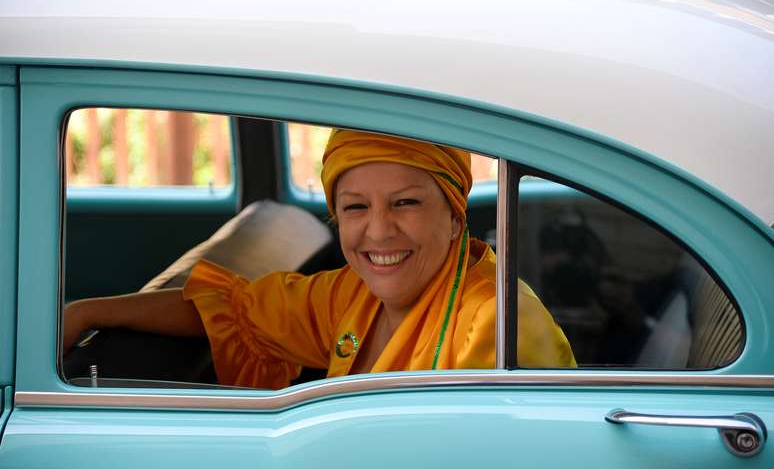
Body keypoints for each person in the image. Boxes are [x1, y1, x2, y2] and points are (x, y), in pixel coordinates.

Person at [64, 129, 576, 389]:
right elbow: (232, 309)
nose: (378, 231)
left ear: (456, 218)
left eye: (406, 203)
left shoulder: (500, 320)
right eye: (356, 207)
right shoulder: (349, 295)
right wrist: (86, 313)